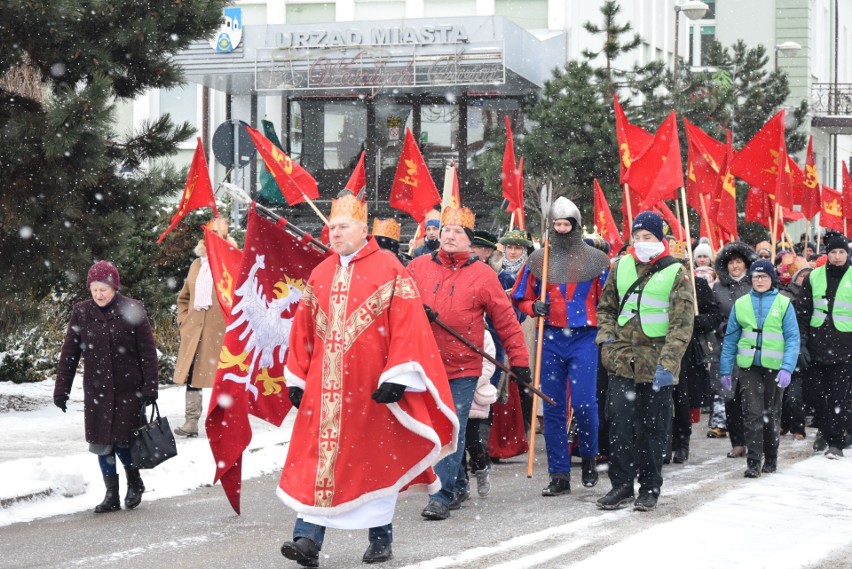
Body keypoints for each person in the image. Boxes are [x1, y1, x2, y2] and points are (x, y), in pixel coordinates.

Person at [278, 191, 457, 567]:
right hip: (324, 393)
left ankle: (380, 539)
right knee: (318, 461)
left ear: (363, 230)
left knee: (374, 462)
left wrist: (399, 375)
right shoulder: (321, 272)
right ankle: (307, 539)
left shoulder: (389, 266)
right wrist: (297, 376)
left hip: (371, 391)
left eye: (342, 227)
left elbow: (409, 324)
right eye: (331, 227)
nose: (334, 234)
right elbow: (303, 329)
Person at [408, 204, 531, 521]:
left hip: (463, 367)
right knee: (433, 430)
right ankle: (459, 484)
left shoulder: (482, 275)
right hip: (424, 364)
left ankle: (442, 495)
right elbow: (395, 303)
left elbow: (505, 320)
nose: (449, 236)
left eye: (457, 231)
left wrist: (519, 361)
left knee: (452, 429)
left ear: (469, 240)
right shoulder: (418, 267)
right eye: (445, 230)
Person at [595, 211, 695, 511]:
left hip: (656, 361)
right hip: (621, 360)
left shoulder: (676, 272)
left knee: (654, 429)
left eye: (647, 237)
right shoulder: (620, 266)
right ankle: (622, 484)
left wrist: (669, 362)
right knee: (620, 427)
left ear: (659, 239)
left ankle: (650, 487)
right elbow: (606, 307)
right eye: (637, 237)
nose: (641, 242)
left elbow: (682, 324)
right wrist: (607, 340)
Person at [513, 197, 609, 495]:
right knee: (552, 406)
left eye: (567, 223)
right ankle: (559, 474)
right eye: (557, 224)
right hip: (551, 337)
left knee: (583, 403)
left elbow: (608, 300)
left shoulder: (595, 260)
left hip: (584, 338)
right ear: (551, 227)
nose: (562, 228)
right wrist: (534, 306)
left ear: (576, 226)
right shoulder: (538, 260)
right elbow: (520, 297)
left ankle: (590, 457)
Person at [54, 261, 159, 513]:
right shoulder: (81, 312)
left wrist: (149, 389)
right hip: (97, 390)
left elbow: (148, 353)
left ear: (114, 287)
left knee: (124, 442)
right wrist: (61, 389)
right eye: (94, 289)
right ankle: (111, 494)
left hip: (128, 389)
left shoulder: (132, 309)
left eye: (103, 289)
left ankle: (134, 483)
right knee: (102, 443)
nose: (98, 294)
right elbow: (70, 353)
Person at [718, 260, 799, 477]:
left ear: (771, 279)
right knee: (752, 414)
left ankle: (771, 457)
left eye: (763, 277)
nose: (759, 280)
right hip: (749, 367)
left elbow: (792, 338)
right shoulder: (741, 304)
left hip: (774, 367)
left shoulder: (784, 304)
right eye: (755, 277)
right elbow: (730, 340)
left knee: (771, 414)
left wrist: (787, 368)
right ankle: (753, 461)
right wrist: (725, 370)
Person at [173, 217, 234, 438]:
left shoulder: (233, 262)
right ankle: (191, 422)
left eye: (219, 235)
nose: (214, 239)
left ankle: (225, 422)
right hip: (194, 331)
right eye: (211, 234)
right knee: (192, 377)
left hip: (221, 332)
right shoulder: (197, 264)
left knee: (224, 377)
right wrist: (184, 321)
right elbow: (184, 297)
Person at [796, 233, 852, 459]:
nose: (838, 257)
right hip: (816, 346)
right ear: (826, 254)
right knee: (814, 397)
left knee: (838, 398)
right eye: (833, 252)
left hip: (845, 348)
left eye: (841, 252)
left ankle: (836, 443)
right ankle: (828, 432)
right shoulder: (814, 277)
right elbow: (802, 312)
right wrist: (801, 342)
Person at [707, 242, 756, 462]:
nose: (735, 266)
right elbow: (714, 316)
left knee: (753, 397)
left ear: (745, 263)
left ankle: (755, 441)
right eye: (731, 262)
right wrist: (722, 328)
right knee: (730, 397)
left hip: (752, 347)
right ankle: (737, 443)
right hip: (726, 348)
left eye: (738, 261)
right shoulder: (718, 288)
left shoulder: (756, 284)